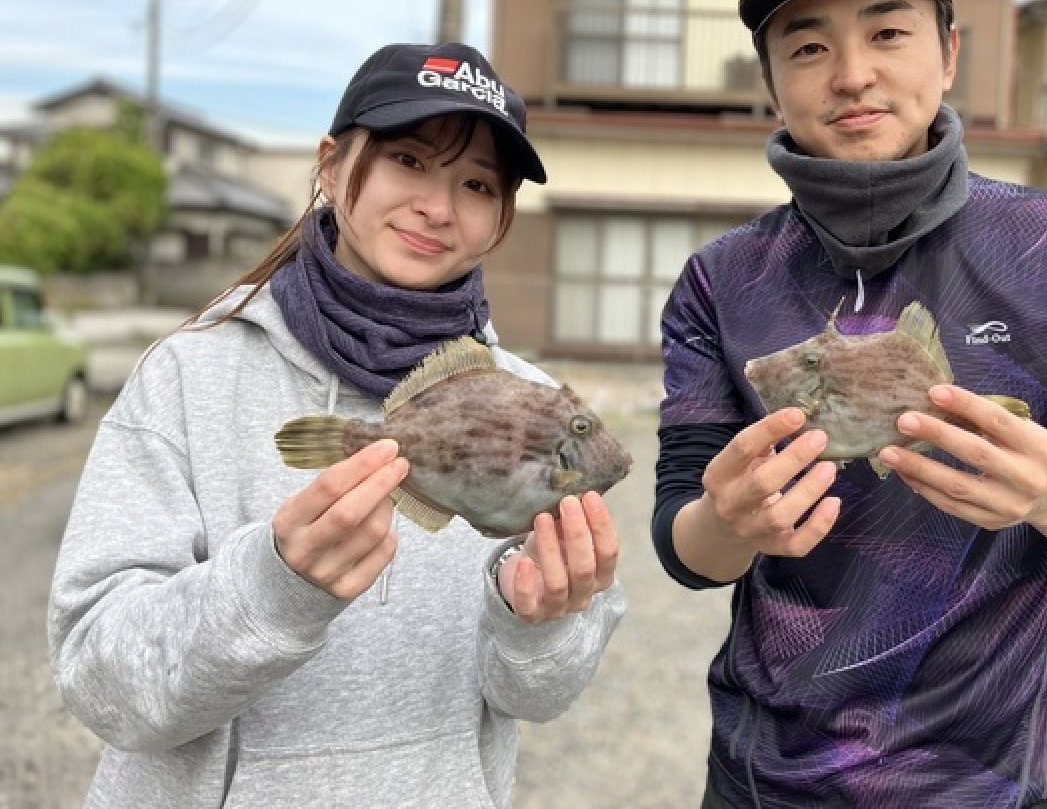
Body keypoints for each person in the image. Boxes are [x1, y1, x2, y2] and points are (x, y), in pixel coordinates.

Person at [652, 0, 1047, 809]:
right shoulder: (720, 279)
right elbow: (683, 542)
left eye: (889, 31)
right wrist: (728, 523)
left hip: (1009, 785)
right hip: (766, 784)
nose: (853, 74)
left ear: (948, 52)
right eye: (809, 46)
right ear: (773, 82)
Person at [48, 42, 626, 809]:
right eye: (409, 161)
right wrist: (273, 588)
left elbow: (538, 698)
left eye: (476, 183)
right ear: (330, 163)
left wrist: (541, 623)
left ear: (501, 217)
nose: (437, 206)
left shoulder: (533, 404)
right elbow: (97, 681)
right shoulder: (188, 372)